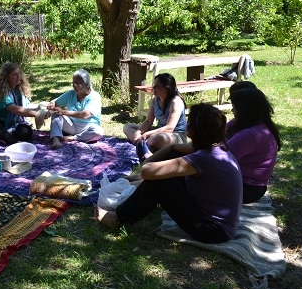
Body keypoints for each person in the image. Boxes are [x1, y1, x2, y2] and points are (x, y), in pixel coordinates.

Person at [97, 103, 242, 244]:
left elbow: (146, 171)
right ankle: (133, 207)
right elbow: (181, 149)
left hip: (212, 230)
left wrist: (153, 158)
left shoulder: (202, 158)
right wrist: (172, 147)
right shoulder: (218, 149)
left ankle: (118, 219)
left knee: (160, 181)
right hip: (220, 224)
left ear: (192, 130)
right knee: (172, 157)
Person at [226, 87, 281, 204]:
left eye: (234, 107)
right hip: (245, 184)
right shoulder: (255, 123)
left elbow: (216, 157)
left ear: (244, 109)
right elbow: (219, 131)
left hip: (248, 189)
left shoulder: (250, 135)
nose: (232, 110)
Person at [123, 73, 187, 162]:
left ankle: (144, 145)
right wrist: (138, 132)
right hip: (158, 130)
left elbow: (170, 128)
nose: (153, 88)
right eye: (154, 85)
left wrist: (146, 134)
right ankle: (145, 145)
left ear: (167, 88)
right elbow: (148, 121)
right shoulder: (155, 99)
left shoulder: (175, 101)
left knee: (157, 138)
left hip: (176, 135)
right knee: (127, 127)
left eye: (157, 86)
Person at [0, 62, 37, 145]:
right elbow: (15, 109)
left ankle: (0, 137)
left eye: (19, 74)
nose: (18, 77)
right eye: (14, 75)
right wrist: (37, 114)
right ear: (6, 77)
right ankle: (13, 141)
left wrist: (42, 109)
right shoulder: (1, 92)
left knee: (27, 132)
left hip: (14, 124)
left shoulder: (19, 90)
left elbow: (26, 108)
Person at [48, 69, 104, 150]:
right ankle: (56, 140)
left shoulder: (94, 97)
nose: (74, 86)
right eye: (73, 83)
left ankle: (74, 138)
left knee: (97, 131)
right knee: (56, 113)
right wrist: (51, 104)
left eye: (78, 84)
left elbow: (84, 115)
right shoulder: (71, 94)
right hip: (71, 125)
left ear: (86, 84)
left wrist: (63, 112)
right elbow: (56, 103)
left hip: (88, 128)